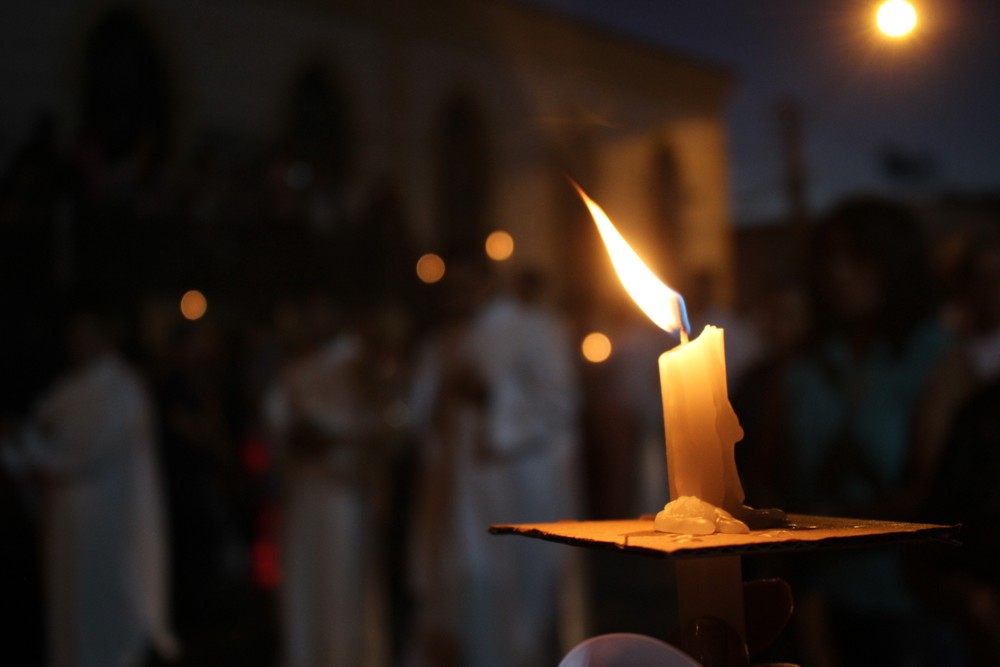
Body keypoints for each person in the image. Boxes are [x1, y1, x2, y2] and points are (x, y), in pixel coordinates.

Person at [776, 197, 970, 666]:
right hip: (807, 596)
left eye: (857, 258)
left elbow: (933, 490)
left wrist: (818, 528)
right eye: (828, 259)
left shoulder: (933, 359)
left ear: (894, 263)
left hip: (905, 601)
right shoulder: (805, 365)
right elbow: (771, 472)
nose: (839, 273)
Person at [406, 263, 582, 667]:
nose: (456, 292)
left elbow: (560, 405)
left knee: (513, 600)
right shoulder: (442, 341)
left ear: (486, 279)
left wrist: (493, 397)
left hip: (513, 488)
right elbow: (420, 419)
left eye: (463, 280)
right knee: (456, 588)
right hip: (454, 490)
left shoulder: (534, 329)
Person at [2, 308, 176, 667]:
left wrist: (33, 445)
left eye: (85, 334)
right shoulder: (68, 389)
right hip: (65, 526)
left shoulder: (124, 389)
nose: (76, 344)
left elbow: (81, 450)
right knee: (69, 618)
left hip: (109, 527)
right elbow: (36, 435)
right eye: (73, 336)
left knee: (106, 617)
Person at [263, 295, 386, 667]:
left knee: (341, 591)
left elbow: (381, 425)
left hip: (341, 495)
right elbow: (276, 426)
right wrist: (300, 440)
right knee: (303, 592)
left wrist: (333, 441)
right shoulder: (296, 370)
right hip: (305, 495)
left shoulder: (359, 362)